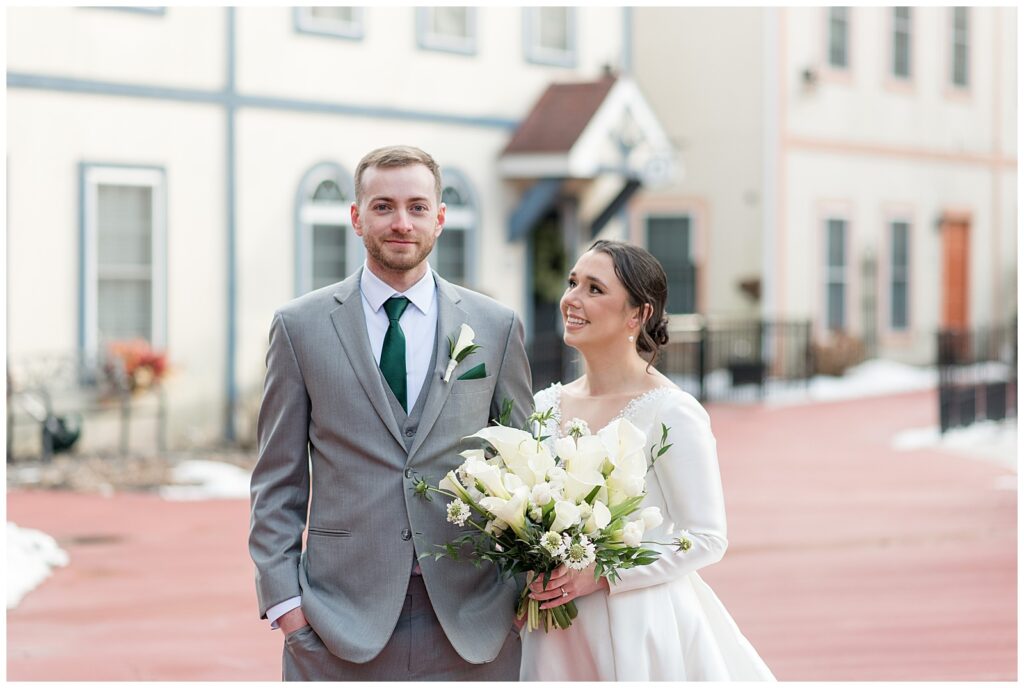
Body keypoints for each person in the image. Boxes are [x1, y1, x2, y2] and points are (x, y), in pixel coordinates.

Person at [248, 145, 533, 680]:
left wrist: (517, 597)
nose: (401, 222)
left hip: (474, 619)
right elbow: (277, 481)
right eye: (383, 206)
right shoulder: (299, 327)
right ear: (356, 217)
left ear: (440, 218)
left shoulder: (496, 327)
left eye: (417, 207)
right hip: (337, 621)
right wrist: (286, 606)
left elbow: (525, 466)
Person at [520, 239, 774, 681]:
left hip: (635, 623)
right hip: (551, 631)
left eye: (595, 289)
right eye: (573, 282)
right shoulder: (544, 405)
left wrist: (600, 573)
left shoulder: (671, 411)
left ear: (639, 315)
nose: (572, 300)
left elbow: (705, 536)